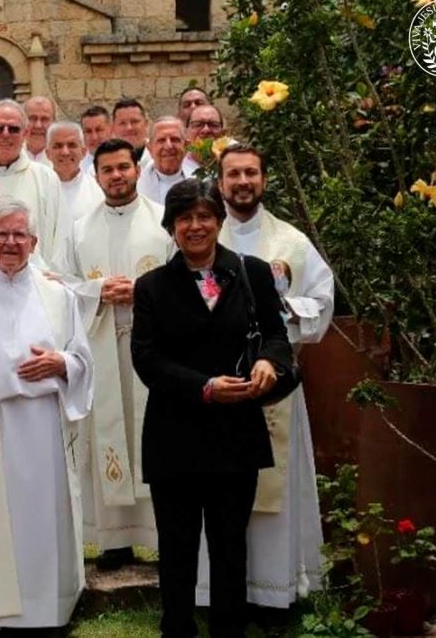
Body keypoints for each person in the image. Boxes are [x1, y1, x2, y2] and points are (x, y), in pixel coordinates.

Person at [131, 178, 293, 637]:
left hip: (235, 434)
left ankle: (229, 630)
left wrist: (267, 361)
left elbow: (277, 336)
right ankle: (177, 629)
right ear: (171, 227)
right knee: (177, 548)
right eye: (185, 218)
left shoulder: (253, 272)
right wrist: (204, 386)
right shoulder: (152, 287)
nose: (195, 226)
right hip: (174, 436)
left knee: (229, 547)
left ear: (219, 222)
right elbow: (147, 359)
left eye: (204, 216)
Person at [197, 143, 332, 614]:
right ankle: (215, 591)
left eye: (251, 172)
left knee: (273, 489)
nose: (242, 182)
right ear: (220, 181)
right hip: (215, 387)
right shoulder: (203, 236)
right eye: (233, 174)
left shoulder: (291, 243)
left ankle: (273, 593)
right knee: (216, 491)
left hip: (273, 389)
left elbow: (322, 300)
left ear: (264, 180)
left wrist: (288, 309)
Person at [0, 196, 93, 628]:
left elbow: (83, 359)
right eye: (3, 235)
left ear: (33, 242)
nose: (11, 242)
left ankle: (45, 609)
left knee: (41, 521)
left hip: (42, 430)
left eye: (19, 235)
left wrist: (61, 364)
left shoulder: (58, 294)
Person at [70, 138, 175, 571]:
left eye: (123, 167)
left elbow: (181, 278)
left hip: (153, 348)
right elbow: (61, 285)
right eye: (107, 169)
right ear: (96, 176)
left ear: (137, 169)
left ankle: (162, 535)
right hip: (102, 345)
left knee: (154, 434)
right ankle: (114, 542)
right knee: (110, 433)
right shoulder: (79, 228)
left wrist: (142, 292)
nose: (116, 176)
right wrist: (97, 291)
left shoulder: (162, 221)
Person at [0, 98, 73, 273]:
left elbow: (62, 239)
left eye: (14, 129)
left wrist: (51, 280)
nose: (5, 134)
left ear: (25, 133)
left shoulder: (45, 178)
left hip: (35, 283)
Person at [45, 121, 103, 222]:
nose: (65, 152)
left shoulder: (98, 191)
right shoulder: (39, 188)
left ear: (83, 152)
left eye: (72, 145)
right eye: (58, 146)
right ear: (48, 153)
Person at [137, 117, 190, 204]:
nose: (168, 146)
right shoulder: (136, 185)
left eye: (174, 139)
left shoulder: (200, 181)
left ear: (187, 146)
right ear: (149, 148)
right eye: (161, 140)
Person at [111, 98, 153, 173]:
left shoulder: (158, 157)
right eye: (122, 123)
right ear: (113, 127)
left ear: (146, 124)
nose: (129, 128)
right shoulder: (103, 162)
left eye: (134, 121)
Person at [182, 104, 225, 176]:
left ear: (223, 133)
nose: (206, 130)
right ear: (186, 132)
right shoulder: (176, 170)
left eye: (213, 125)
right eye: (198, 124)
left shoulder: (234, 168)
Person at [79, 105, 111, 175]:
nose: (94, 137)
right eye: (88, 131)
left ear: (110, 129)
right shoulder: (77, 168)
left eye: (99, 130)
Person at [24, 95, 56, 164]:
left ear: (54, 123)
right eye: (33, 118)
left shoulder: (62, 158)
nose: (38, 125)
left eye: (44, 119)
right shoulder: (10, 156)